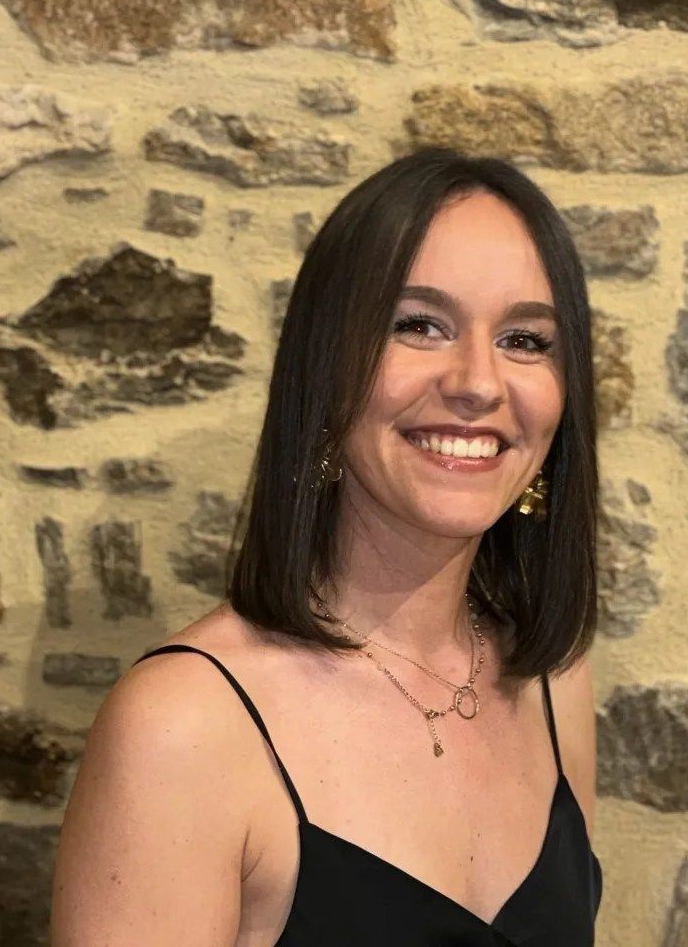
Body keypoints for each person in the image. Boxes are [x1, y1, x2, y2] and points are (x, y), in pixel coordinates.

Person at [50, 147, 602, 946]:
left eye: (525, 339)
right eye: (419, 326)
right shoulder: (182, 728)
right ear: (326, 369)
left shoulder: (553, 681)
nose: (479, 382)